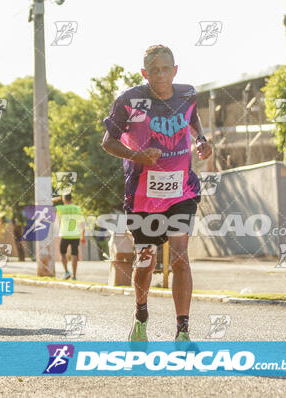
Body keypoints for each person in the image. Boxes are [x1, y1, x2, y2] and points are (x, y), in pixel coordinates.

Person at [101, 45, 212, 342]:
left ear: (175, 70)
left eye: (166, 69)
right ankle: (141, 313)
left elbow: (192, 118)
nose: (161, 75)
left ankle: (183, 331)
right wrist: (136, 156)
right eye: (154, 70)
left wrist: (201, 139)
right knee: (146, 259)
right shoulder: (129, 101)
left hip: (182, 190)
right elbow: (107, 142)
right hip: (142, 195)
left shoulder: (187, 94)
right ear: (144, 73)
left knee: (180, 258)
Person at [53, 194, 85, 280]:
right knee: (75, 254)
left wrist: (54, 200)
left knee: (63, 254)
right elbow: (82, 223)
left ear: (64, 199)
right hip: (75, 235)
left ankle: (66, 272)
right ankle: (74, 276)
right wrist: (83, 236)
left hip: (65, 234)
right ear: (72, 199)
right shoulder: (77, 209)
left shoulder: (61, 208)